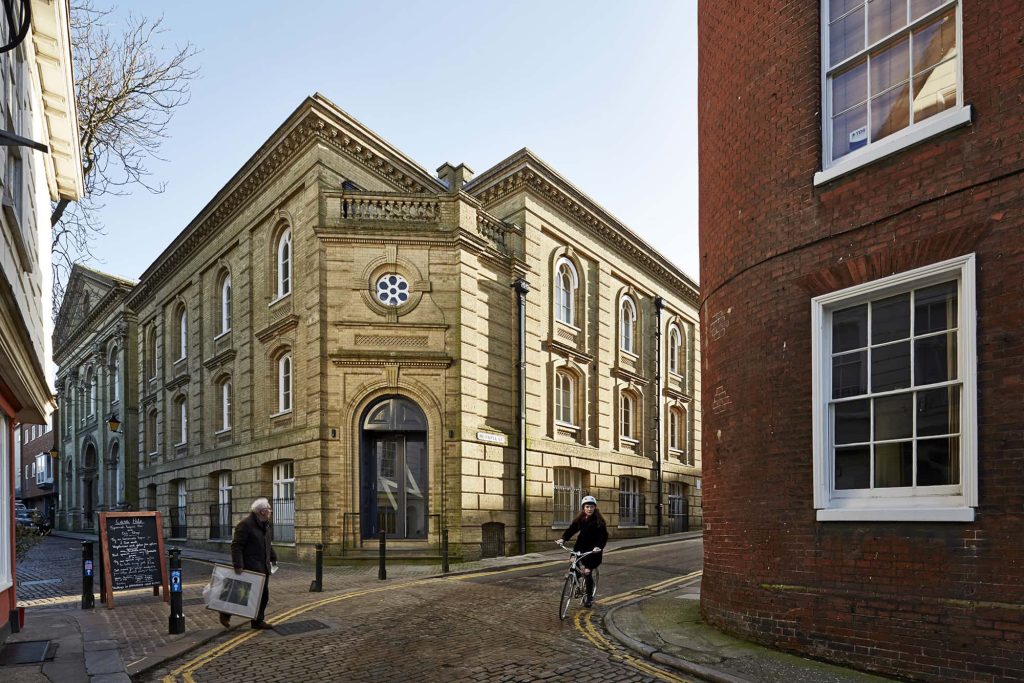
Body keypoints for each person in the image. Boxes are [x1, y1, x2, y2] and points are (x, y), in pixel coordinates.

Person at [220, 497, 277, 629]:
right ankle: (225, 612)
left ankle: (257, 621)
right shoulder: (245, 524)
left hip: (263, 566)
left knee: (263, 596)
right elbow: (236, 546)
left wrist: (273, 556)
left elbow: (267, 543)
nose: (270, 510)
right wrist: (238, 565)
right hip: (249, 566)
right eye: (268, 508)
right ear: (262, 511)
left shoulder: (265, 524)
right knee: (240, 594)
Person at [556, 495, 608, 607]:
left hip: (593, 551)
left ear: (595, 508)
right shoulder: (581, 519)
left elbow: (603, 537)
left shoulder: (599, 522)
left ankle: (589, 597)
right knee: (573, 563)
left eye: (591, 507)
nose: (589, 509)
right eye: (587, 506)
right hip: (580, 548)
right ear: (583, 508)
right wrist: (563, 539)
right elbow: (571, 529)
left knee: (587, 573)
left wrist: (599, 547)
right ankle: (575, 578)